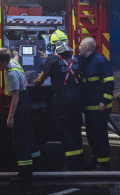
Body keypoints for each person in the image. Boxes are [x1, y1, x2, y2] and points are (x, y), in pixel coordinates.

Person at [33, 30, 84, 170]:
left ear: (54, 45)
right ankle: (79, 160)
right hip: (76, 98)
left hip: (62, 99)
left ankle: (73, 164)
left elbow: (40, 79)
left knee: (65, 129)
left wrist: (33, 82)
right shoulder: (76, 58)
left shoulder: (52, 60)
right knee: (75, 128)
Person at [0, 47, 40, 183]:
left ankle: (25, 173)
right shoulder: (14, 62)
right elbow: (16, 57)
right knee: (28, 134)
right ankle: (36, 163)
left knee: (19, 138)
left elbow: (15, 97)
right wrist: (15, 53)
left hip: (20, 103)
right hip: (26, 101)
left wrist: (10, 117)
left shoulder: (12, 73)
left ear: (3, 61)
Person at [77, 37, 114, 170]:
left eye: (80, 46)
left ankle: (104, 163)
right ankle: (95, 158)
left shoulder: (100, 61)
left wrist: (104, 101)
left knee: (100, 135)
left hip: (99, 107)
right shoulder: (83, 60)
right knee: (91, 135)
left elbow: (109, 82)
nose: (78, 48)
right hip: (88, 106)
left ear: (86, 48)